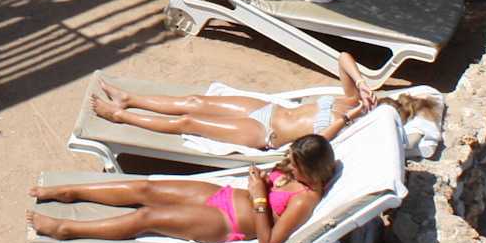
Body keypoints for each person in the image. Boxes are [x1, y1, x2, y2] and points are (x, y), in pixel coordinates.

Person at [29, 136, 339, 243]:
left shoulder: (305, 199)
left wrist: (259, 196)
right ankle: (70, 191)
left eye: (295, 166)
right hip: (224, 194)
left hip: (226, 222)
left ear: (312, 171)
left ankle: (67, 229)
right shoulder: (299, 167)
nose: (288, 167)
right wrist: (261, 180)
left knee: (147, 217)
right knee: (145, 187)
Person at [92, 55, 380, 150]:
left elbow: (318, 144)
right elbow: (343, 58)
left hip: (265, 133)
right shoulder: (352, 99)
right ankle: (128, 99)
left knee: (188, 122)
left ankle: (120, 116)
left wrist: (350, 117)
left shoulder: (353, 131)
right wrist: (361, 83)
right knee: (194, 101)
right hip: (270, 110)